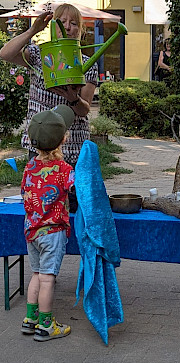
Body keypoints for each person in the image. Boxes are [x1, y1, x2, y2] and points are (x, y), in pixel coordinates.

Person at [0, 4, 98, 167]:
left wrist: (72, 98)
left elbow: (84, 110)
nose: (67, 27)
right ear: (53, 27)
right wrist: (33, 30)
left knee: (71, 192)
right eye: (62, 22)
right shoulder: (38, 55)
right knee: (39, 190)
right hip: (40, 145)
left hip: (72, 147)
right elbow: (4, 54)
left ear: (80, 30)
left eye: (73, 23)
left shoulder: (88, 64)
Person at [20, 104, 75, 341]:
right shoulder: (64, 169)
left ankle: (30, 319)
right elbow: (78, 191)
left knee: (36, 274)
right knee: (48, 278)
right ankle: (46, 325)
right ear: (64, 139)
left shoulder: (30, 166)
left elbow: (24, 191)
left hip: (31, 230)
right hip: (52, 232)